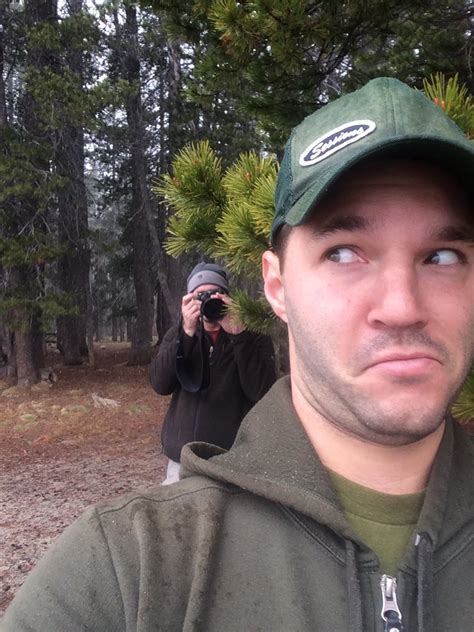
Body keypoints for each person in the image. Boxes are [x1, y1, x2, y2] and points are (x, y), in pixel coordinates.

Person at [3, 77, 474, 632]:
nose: (400, 307)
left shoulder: (244, 337)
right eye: (344, 252)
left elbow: (259, 385)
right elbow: (161, 382)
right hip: (195, 462)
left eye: (442, 256)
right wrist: (184, 333)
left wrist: (236, 330)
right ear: (278, 287)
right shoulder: (130, 569)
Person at [149, 262, 276, 484]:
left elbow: (262, 391)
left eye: (215, 294)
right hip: (183, 458)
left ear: (227, 298)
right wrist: (186, 335)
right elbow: (160, 384)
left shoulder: (252, 336)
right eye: (201, 296)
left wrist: (239, 335)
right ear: (188, 300)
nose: (208, 301)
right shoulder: (179, 334)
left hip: (232, 457)